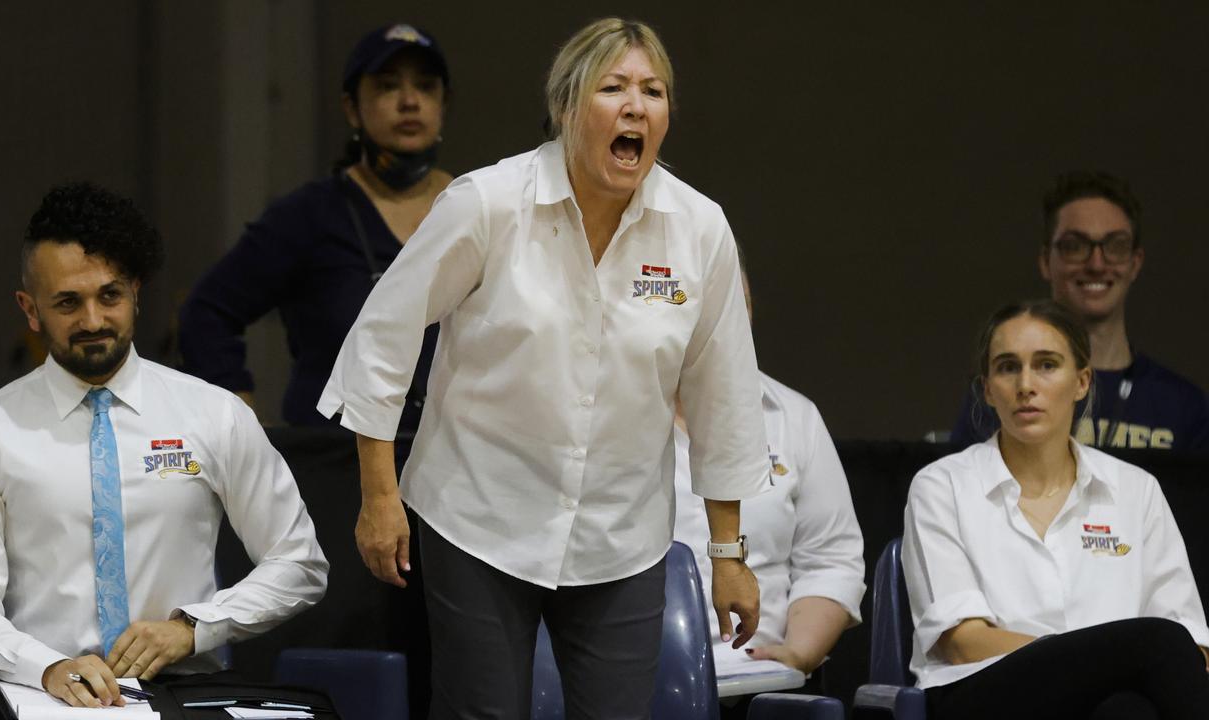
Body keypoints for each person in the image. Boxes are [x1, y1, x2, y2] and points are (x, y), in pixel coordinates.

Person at [318, 18, 770, 719]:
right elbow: (385, 336)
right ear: (565, 108)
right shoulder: (489, 203)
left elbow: (724, 394)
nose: (635, 106)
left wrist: (728, 552)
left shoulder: (699, 228)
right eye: (613, 87)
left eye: (652, 91)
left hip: (623, 535)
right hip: (478, 516)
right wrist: (380, 497)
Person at [0, 183, 328, 708]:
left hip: (186, 693)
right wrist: (46, 667)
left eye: (109, 295)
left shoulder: (213, 413)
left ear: (136, 290)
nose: (93, 320)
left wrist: (194, 627)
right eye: (68, 302)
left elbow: (300, 563)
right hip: (40, 697)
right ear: (30, 309)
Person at [906, 299, 1209, 719]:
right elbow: (963, 643)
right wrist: (1099, 660)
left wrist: (1096, 670)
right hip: (983, 696)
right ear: (988, 388)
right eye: (1008, 367)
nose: (1026, 384)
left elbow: (1194, 642)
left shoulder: (1135, 489)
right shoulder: (942, 486)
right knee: (1158, 645)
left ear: (1082, 382)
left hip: (1110, 697)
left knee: (1125, 712)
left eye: (1046, 365)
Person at [178, 22, 452, 439]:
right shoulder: (312, 214)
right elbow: (206, 312)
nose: (410, 101)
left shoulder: (478, 206)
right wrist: (238, 418)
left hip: (450, 472)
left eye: (426, 87)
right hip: (335, 465)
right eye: (387, 86)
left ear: (442, 104)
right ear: (351, 108)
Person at [672, 269, 864, 718]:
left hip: (763, 692)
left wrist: (799, 652)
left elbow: (830, 559)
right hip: (633, 687)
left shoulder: (793, 417)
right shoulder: (601, 418)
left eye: (732, 302)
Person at [950, 172, 1209, 451]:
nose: (1097, 264)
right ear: (1045, 261)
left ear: (1135, 262)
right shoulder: (1008, 390)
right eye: (1075, 246)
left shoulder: (1184, 405)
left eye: (1115, 246)